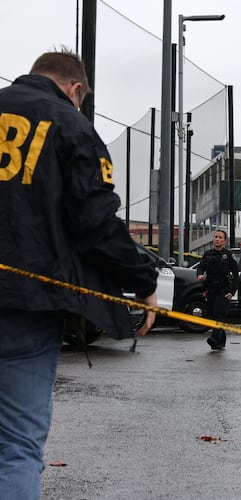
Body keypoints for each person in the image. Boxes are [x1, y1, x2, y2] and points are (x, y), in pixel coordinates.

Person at [0, 49, 158, 499]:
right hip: (25, 304)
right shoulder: (69, 125)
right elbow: (97, 225)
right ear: (75, 90)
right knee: (16, 446)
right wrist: (144, 280)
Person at [197, 229, 239, 350]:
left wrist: (232, 291)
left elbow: (236, 274)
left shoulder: (228, 255)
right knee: (211, 315)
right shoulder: (208, 254)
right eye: (216, 237)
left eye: (220, 237)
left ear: (224, 241)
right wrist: (199, 275)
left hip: (223, 290)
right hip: (211, 289)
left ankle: (214, 338)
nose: (217, 239)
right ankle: (221, 341)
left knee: (218, 315)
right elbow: (201, 267)